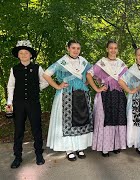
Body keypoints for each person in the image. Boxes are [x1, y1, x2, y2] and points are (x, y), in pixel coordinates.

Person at [44, 40, 93, 161]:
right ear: (68, 48)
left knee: (82, 120)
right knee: (67, 121)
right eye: (73, 48)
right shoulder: (62, 62)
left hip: (82, 94)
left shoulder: (84, 62)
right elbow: (46, 74)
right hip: (66, 94)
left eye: (78, 48)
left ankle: (80, 147)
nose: (76, 50)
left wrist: (86, 83)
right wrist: (57, 86)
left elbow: (92, 73)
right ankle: (69, 149)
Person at [6, 40, 48, 168]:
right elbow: (11, 86)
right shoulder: (14, 69)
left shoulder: (37, 68)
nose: (24, 55)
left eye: (26, 53)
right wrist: (9, 103)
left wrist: (37, 89)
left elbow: (45, 81)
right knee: (19, 129)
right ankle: (17, 156)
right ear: (18, 55)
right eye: (21, 53)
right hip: (18, 104)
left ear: (30, 55)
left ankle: (39, 154)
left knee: (36, 128)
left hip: (33, 103)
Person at [87, 40, 127, 157]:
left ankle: (115, 145)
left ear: (117, 50)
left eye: (115, 48)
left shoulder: (121, 64)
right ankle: (105, 147)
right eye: (111, 48)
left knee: (117, 118)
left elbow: (128, 78)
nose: (113, 50)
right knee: (105, 119)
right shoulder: (101, 63)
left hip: (118, 94)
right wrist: (97, 88)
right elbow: (89, 74)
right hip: (105, 94)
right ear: (107, 49)